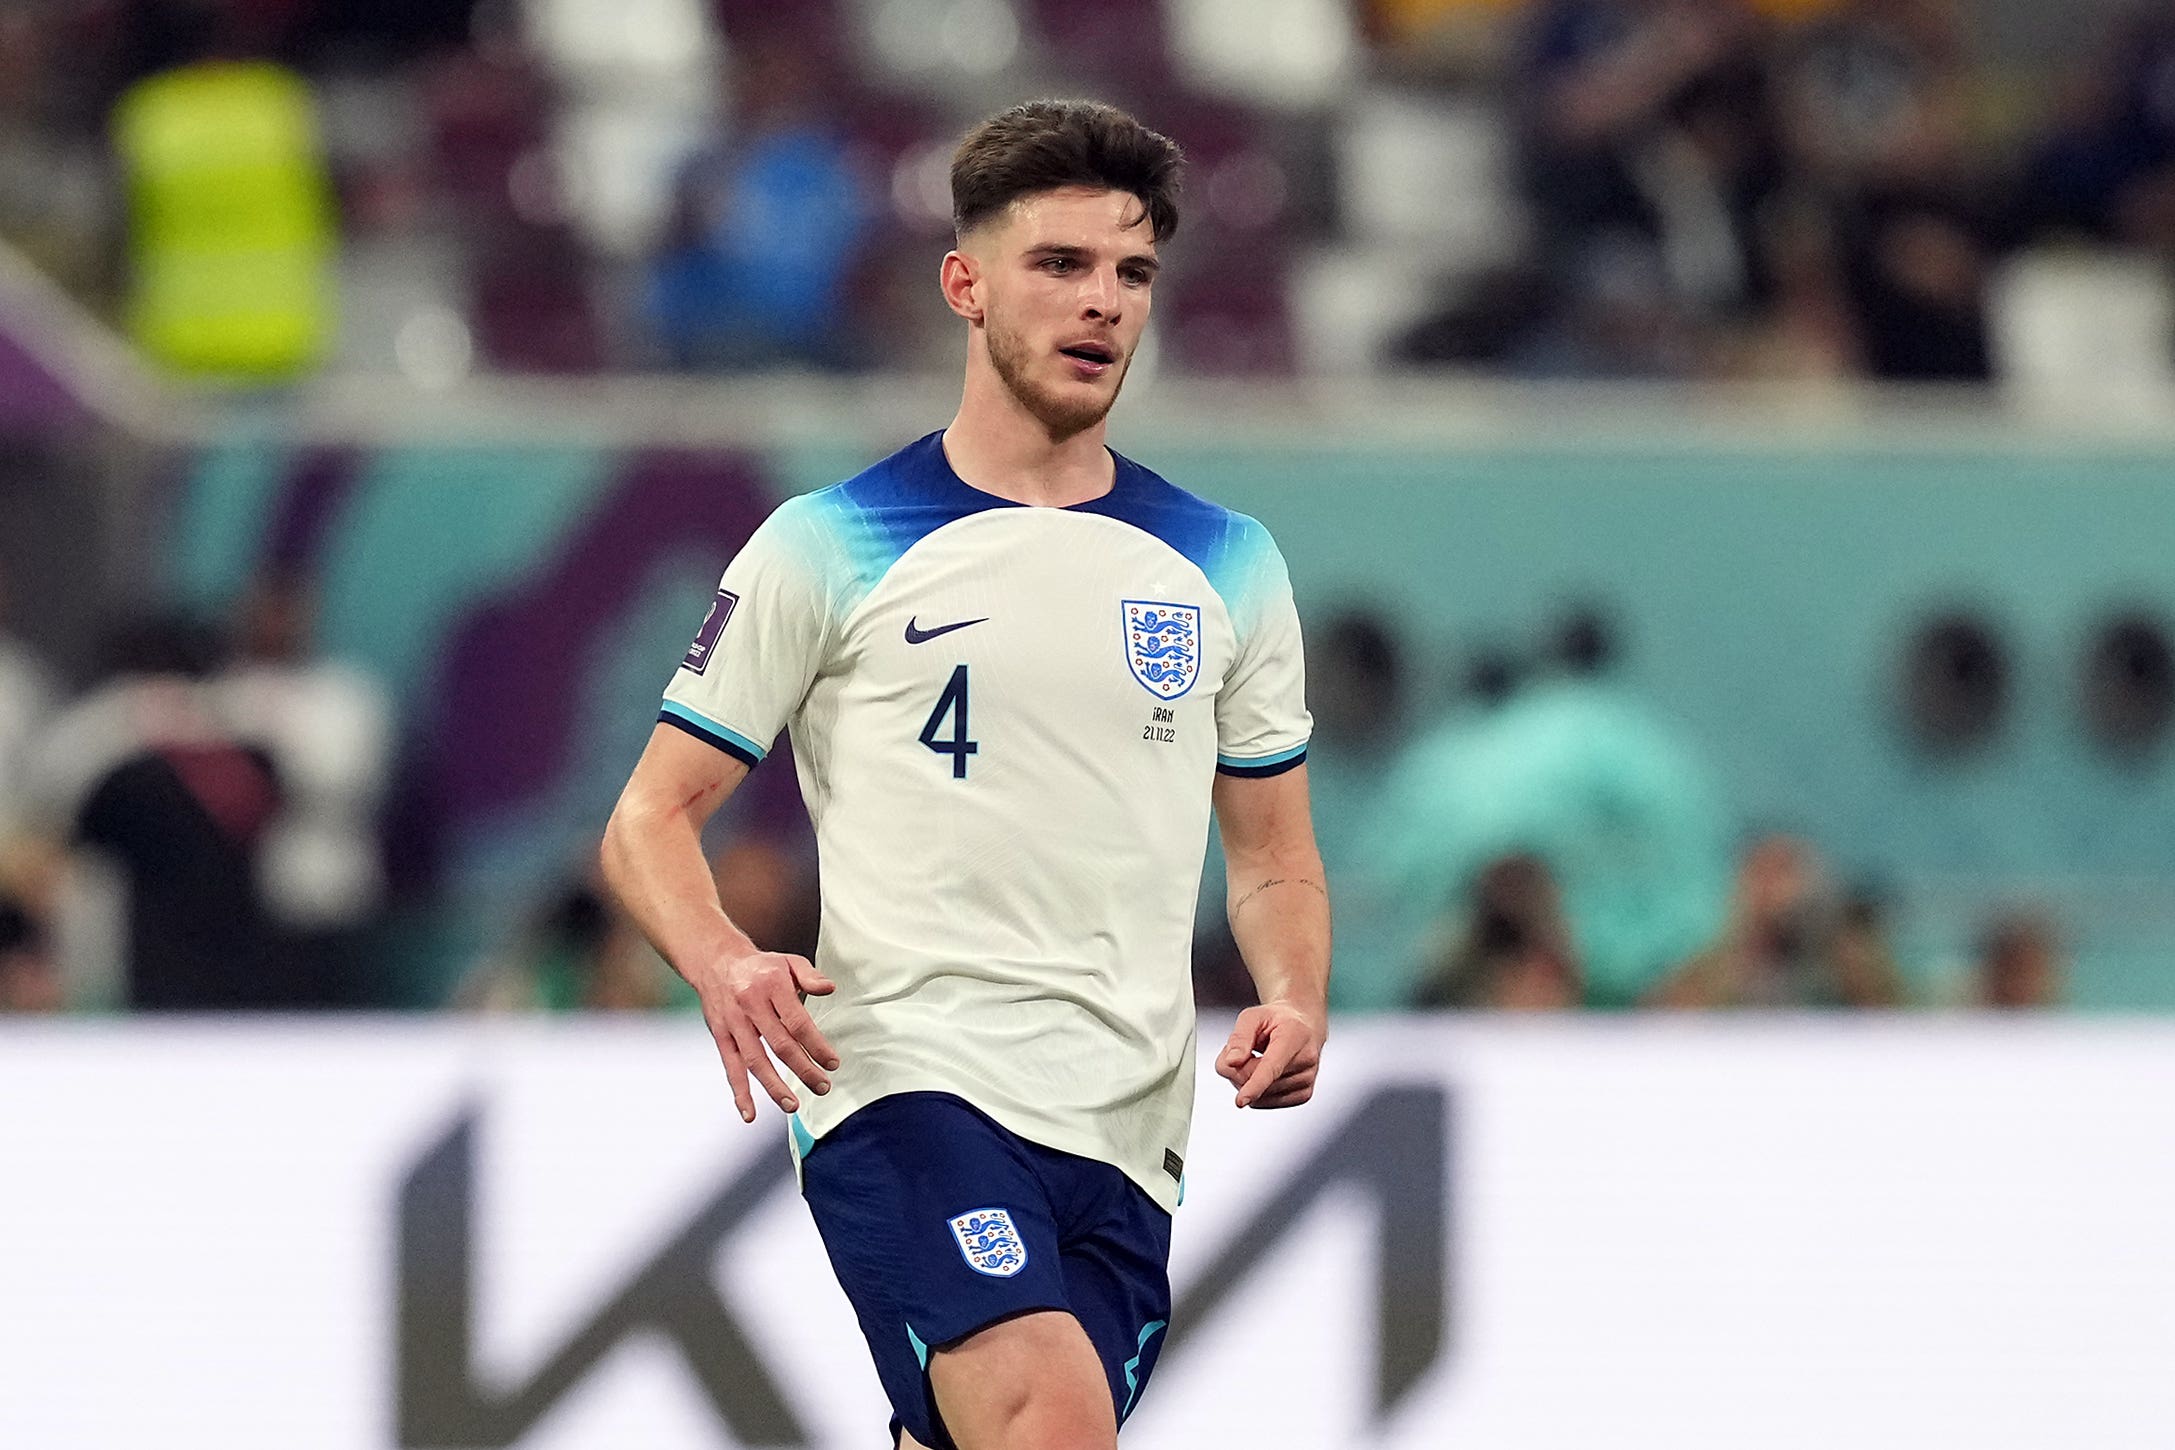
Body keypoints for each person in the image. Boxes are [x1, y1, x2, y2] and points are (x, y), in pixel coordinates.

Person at [601, 101, 1329, 1450]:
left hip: (1128, 1126)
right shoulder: (830, 543)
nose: (1103, 303)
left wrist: (1294, 991)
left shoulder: (1229, 562)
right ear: (965, 283)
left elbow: (1274, 851)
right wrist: (722, 957)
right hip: (905, 1079)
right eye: (1060, 264)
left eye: (1131, 274)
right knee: (1049, 1424)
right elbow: (650, 813)